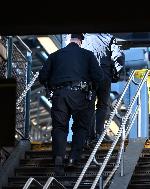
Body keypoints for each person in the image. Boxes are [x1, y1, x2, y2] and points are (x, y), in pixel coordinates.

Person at [38, 33, 104, 176]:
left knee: (59, 127)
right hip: (81, 95)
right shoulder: (88, 55)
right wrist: (92, 87)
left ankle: (59, 158)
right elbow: (99, 76)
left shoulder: (55, 55)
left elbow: (42, 76)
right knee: (80, 127)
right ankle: (73, 158)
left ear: (69, 40)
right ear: (81, 41)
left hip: (59, 95)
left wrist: (51, 86)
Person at [80, 33, 125, 143]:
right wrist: (116, 74)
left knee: (89, 105)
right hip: (104, 75)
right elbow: (118, 57)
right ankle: (99, 133)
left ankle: (89, 135)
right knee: (102, 105)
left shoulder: (84, 38)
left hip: (88, 76)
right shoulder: (109, 38)